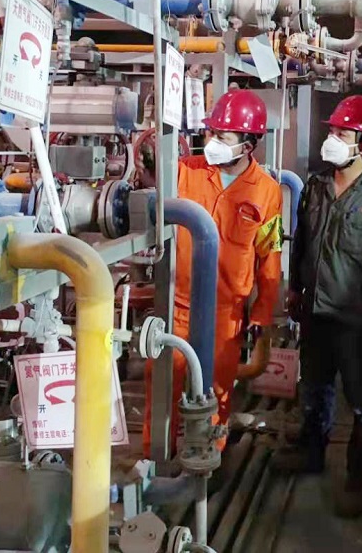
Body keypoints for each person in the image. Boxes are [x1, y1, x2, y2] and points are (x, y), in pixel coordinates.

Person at [276, 95, 362, 518]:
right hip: (315, 312)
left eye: (341, 134)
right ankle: (311, 450)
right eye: (331, 131)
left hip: (356, 320)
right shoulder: (316, 187)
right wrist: (295, 288)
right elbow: (302, 242)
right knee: (314, 388)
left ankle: (361, 477)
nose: (331, 139)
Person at [143, 89, 284, 460]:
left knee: (214, 393)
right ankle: (156, 464)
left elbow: (269, 256)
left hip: (226, 316)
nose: (211, 141)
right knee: (163, 388)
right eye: (210, 133)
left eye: (221, 136)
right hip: (176, 305)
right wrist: (148, 148)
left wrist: (262, 314)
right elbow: (150, 177)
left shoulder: (267, 192)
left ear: (247, 145)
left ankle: (208, 463)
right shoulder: (186, 171)